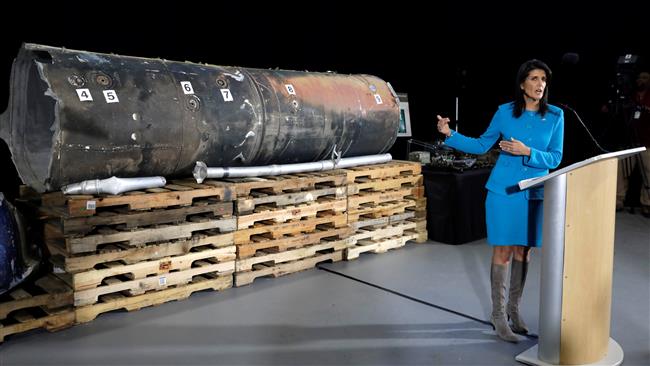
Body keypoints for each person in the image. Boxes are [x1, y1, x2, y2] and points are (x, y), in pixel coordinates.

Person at [436, 59, 564, 343]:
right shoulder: (505, 113)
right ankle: (498, 316)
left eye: (543, 79)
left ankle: (514, 311)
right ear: (522, 84)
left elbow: (555, 158)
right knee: (504, 252)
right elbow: (482, 144)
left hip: (535, 191)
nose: (540, 84)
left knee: (524, 253)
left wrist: (527, 150)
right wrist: (450, 135)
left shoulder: (556, 116)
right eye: (533, 78)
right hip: (503, 191)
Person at [616, 69, 650, 217]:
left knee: (649, 174)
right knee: (621, 171)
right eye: (639, 77)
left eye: (644, 77)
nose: (640, 80)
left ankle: (647, 203)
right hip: (629, 142)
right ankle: (618, 200)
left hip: (647, 141)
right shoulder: (630, 96)